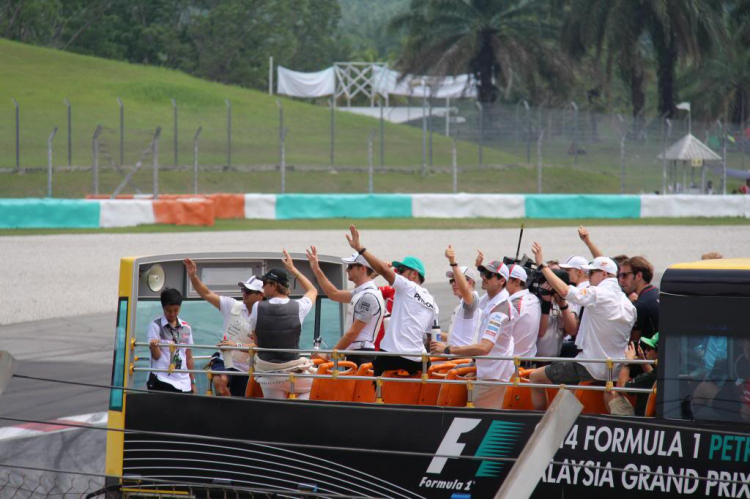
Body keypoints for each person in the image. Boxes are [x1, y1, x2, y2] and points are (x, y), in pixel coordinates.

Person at [528, 243, 636, 410]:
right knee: (577, 391)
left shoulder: (599, 293)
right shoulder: (628, 303)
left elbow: (565, 291)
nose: (588, 276)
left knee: (535, 377)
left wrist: (542, 266)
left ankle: (539, 421)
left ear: (605, 275)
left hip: (590, 366)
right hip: (614, 370)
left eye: (592, 272)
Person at [344, 225, 438, 376]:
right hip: (420, 360)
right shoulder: (432, 302)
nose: (397, 273)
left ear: (414, 274)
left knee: (368, 380)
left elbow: (383, 270)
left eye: (401, 271)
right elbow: (429, 338)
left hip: (393, 356)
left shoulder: (407, 287)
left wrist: (360, 249)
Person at [432, 259, 514, 408]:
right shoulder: (489, 300)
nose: (483, 277)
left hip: (493, 377)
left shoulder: (500, 309)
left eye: (489, 275)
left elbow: (484, 348)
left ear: (502, 280)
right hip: (485, 371)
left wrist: (447, 349)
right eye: (482, 273)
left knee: (481, 420)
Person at [183, 257, 263, 396]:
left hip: (247, 369)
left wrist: (235, 345)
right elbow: (206, 294)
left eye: (248, 291)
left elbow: (260, 347)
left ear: (260, 295)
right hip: (225, 360)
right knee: (219, 383)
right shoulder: (232, 305)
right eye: (243, 289)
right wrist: (193, 276)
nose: (244, 293)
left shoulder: (266, 316)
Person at [250, 250, 318, 399]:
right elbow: (313, 290)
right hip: (292, 373)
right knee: (318, 386)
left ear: (274, 285)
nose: (263, 288)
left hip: (267, 375)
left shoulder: (257, 307)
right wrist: (292, 269)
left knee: (276, 410)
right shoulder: (299, 306)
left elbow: (256, 340)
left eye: (265, 284)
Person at [305, 246, 385, 366]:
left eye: (350, 266)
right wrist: (316, 269)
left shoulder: (368, 296)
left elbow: (352, 333)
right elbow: (333, 294)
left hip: (362, 355)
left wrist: (328, 355)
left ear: (362, 268)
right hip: (356, 353)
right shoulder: (362, 292)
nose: (347, 269)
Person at [147, 288, 195, 394]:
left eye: (176, 310)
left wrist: (192, 381)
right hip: (163, 379)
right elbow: (156, 356)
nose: (172, 313)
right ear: (163, 307)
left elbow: (189, 357)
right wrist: (154, 346)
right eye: (168, 310)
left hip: (184, 382)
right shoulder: (155, 326)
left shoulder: (186, 327)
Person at [604, 334, 659, 417]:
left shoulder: (647, 378)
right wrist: (643, 362)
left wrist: (628, 361)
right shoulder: (665, 372)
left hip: (640, 422)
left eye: (649, 348)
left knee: (610, 391)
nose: (645, 351)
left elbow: (620, 387)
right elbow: (652, 378)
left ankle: (623, 426)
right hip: (656, 419)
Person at [537, 262, 578, 359]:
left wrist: (563, 306)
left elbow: (572, 330)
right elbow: (541, 332)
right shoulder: (537, 302)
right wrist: (546, 302)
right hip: (535, 359)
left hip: (554, 359)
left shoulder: (566, 302)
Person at [444, 245, 482, 347]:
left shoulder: (472, 301)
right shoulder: (463, 304)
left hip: (463, 359)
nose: (453, 283)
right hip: (456, 356)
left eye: (456, 280)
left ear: (469, 282)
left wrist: (453, 262)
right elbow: (456, 337)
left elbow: (465, 289)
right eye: (452, 280)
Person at [505, 264, 542, 366]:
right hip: (527, 362)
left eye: (504, 279)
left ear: (517, 282)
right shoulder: (534, 298)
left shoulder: (512, 305)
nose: (501, 283)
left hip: (510, 366)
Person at [618, 256, 659, 342]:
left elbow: (633, 343)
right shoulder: (656, 293)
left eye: (624, 275)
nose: (620, 280)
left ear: (639, 276)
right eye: (619, 276)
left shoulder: (640, 305)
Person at [558, 254, 589, 357]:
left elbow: (571, 328)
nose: (564, 274)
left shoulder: (576, 292)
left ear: (580, 272)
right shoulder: (592, 289)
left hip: (576, 343)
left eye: (568, 271)